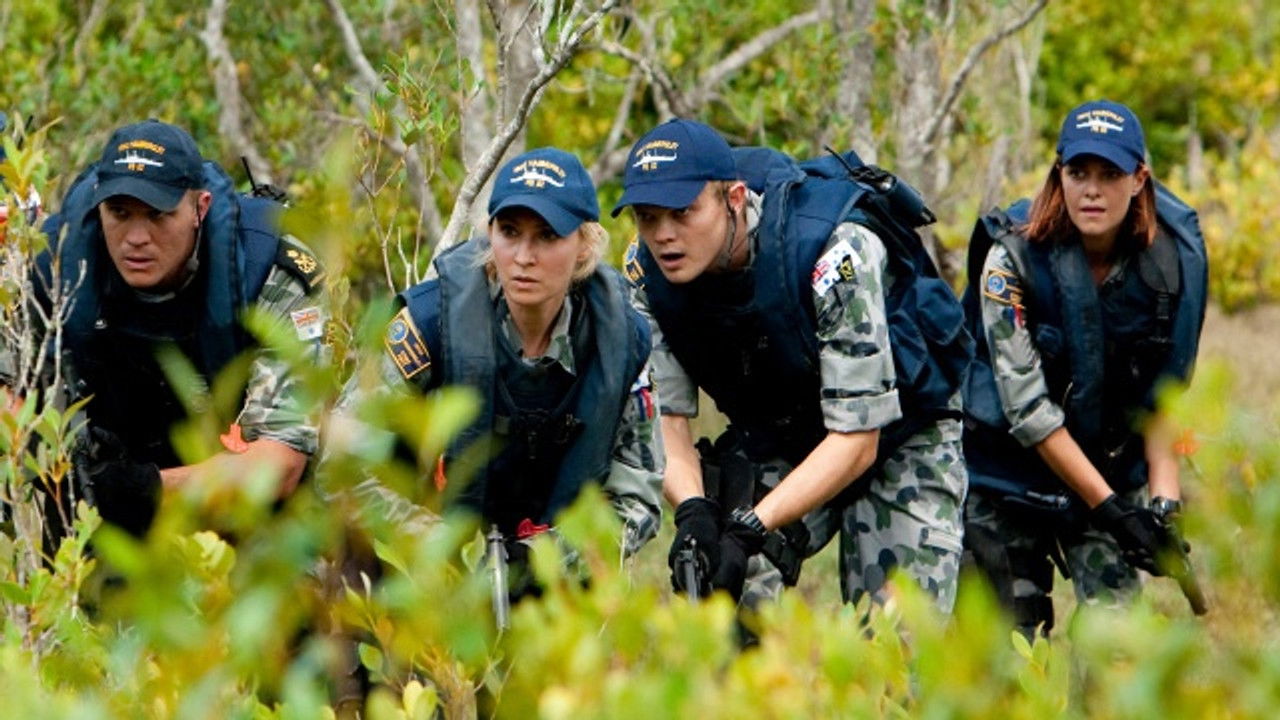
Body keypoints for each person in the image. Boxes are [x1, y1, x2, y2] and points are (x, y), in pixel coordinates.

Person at [614, 118, 968, 612]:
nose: (664, 235)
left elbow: (857, 440)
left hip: (899, 433)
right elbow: (667, 418)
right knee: (719, 585)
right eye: (647, 217)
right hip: (784, 434)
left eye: (682, 212)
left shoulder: (835, 251)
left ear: (734, 199)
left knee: (897, 637)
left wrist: (751, 527)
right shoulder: (645, 272)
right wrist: (695, 513)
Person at [335, 146, 663, 584]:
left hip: (555, 578)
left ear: (584, 246)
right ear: (490, 234)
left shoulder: (620, 337)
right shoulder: (429, 323)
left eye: (547, 236)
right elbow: (341, 467)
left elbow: (638, 501)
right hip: (423, 571)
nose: (524, 256)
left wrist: (542, 561)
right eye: (509, 232)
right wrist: (440, 551)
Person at [1, 119, 328, 537]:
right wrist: (55, 459)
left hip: (236, 504)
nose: (136, 238)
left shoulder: (266, 267)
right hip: (95, 498)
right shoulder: (53, 258)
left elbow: (280, 464)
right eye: (119, 213)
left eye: (158, 214)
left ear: (200, 208)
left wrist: (148, 490)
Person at [961, 100, 1208, 637]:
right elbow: (1028, 411)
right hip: (1004, 475)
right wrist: (1115, 512)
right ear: (1059, 174)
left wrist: (1162, 509)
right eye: (1078, 173)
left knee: (1115, 648)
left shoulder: (1170, 266)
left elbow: (1164, 400)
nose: (1091, 190)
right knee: (1003, 650)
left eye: (1109, 174)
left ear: (1139, 179)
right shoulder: (1010, 260)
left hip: (1106, 469)